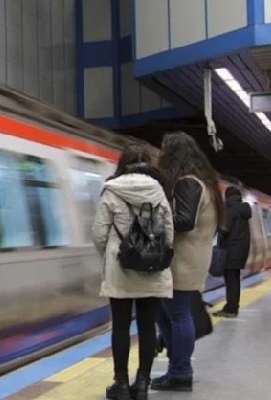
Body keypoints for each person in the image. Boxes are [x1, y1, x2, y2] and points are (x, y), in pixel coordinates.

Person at [92, 144, 174, 400]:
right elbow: (169, 234)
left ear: (123, 163)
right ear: (149, 164)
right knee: (147, 325)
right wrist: (157, 255)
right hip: (151, 269)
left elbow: (99, 234)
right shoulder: (159, 191)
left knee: (121, 325)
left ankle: (121, 384)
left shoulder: (112, 190)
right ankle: (142, 384)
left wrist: (110, 256)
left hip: (120, 268)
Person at [153, 132, 224, 392]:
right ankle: (177, 368)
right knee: (167, 314)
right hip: (193, 257)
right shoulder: (205, 182)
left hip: (183, 259)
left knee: (178, 315)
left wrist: (156, 220)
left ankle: (181, 372)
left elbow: (184, 221)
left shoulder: (187, 183)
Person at [214, 186, 251, 318]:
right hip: (240, 251)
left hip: (231, 250)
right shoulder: (243, 209)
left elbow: (225, 228)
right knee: (234, 279)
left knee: (231, 280)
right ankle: (232, 306)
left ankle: (231, 309)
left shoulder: (231, 209)